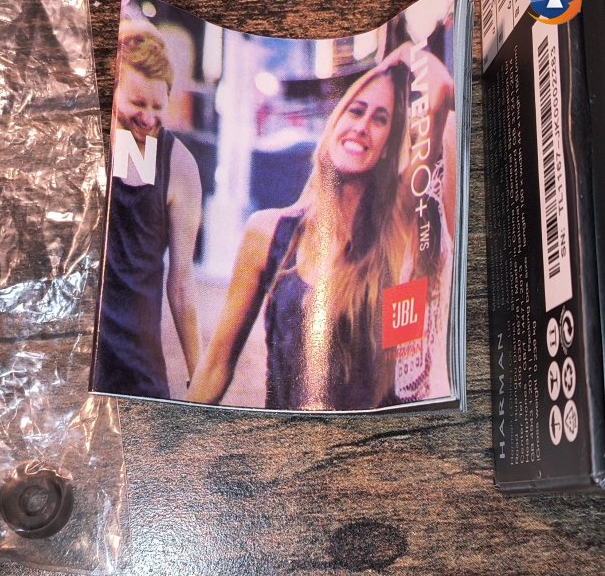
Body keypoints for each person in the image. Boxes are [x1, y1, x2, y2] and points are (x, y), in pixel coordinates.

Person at [188, 42, 455, 410]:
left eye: (380, 119)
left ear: (389, 147)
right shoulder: (268, 233)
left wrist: (401, 55)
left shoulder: (396, 229)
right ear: (334, 123)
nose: (361, 127)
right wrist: (184, 429)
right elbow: (217, 364)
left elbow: (441, 89)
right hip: (286, 438)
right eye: (356, 110)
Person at [93, 20, 203, 399]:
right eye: (137, 103)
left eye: (158, 106)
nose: (148, 118)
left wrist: (198, 377)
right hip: (79, 363)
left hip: (139, 370)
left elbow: (182, 284)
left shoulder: (179, 165)